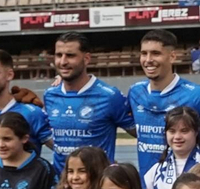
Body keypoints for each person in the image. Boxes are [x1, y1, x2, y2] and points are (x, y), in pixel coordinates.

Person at [125, 29, 200, 178]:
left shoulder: (196, 94)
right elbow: (125, 120)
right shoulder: (136, 91)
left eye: (156, 53)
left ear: (172, 56)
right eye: (144, 53)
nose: (148, 59)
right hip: (147, 188)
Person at [44, 33, 133, 171]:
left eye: (70, 55)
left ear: (86, 59)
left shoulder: (109, 96)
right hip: (62, 186)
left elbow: (141, 133)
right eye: (58, 55)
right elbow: (56, 142)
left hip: (97, 186)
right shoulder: (50, 95)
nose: (63, 61)